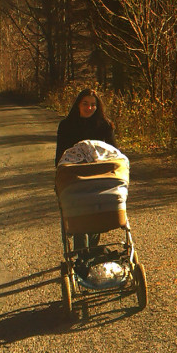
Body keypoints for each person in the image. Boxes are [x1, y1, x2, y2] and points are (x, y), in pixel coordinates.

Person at [56, 88, 116, 271]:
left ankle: (91, 251)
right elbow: (60, 155)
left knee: (96, 213)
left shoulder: (105, 126)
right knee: (79, 213)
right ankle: (83, 255)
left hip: (98, 176)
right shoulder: (66, 126)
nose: (89, 108)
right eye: (85, 104)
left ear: (97, 107)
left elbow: (113, 153)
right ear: (78, 105)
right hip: (75, 176)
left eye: (93, 104)